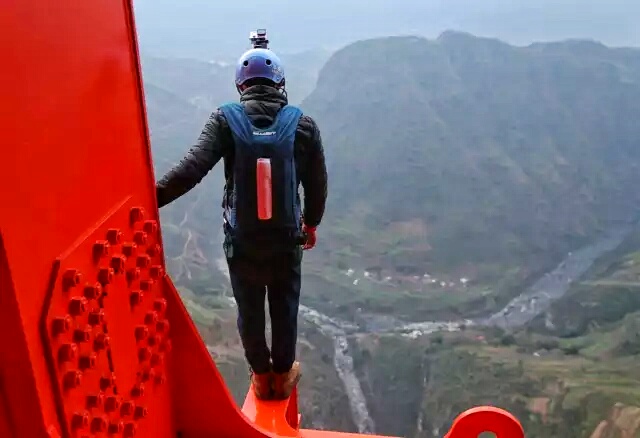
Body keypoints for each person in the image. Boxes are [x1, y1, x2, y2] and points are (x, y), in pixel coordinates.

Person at [155, 39, 328, 401]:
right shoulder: (304, 126)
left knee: (249, 307)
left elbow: (191, 170)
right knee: (284, 306)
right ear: (280, 83)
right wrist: (310, 224)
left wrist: (151, 197)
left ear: (241, 85)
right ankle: (282, 375)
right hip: (286, 242)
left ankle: (260, 377)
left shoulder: (224, 120)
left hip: (242, 242)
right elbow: (316, 184)